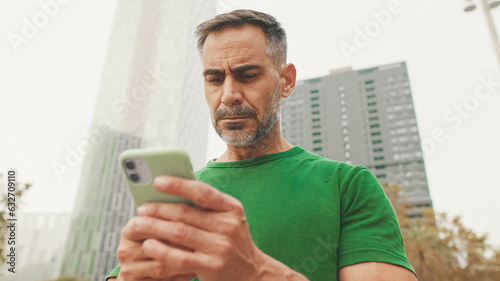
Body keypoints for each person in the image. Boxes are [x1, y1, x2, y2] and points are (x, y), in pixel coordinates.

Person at [107, 9, 417, 281]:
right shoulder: (175, 194)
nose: (228, 94)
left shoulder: (347, 186)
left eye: (247, 74)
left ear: (286, 81)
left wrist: (256, 273)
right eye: (214, 78)